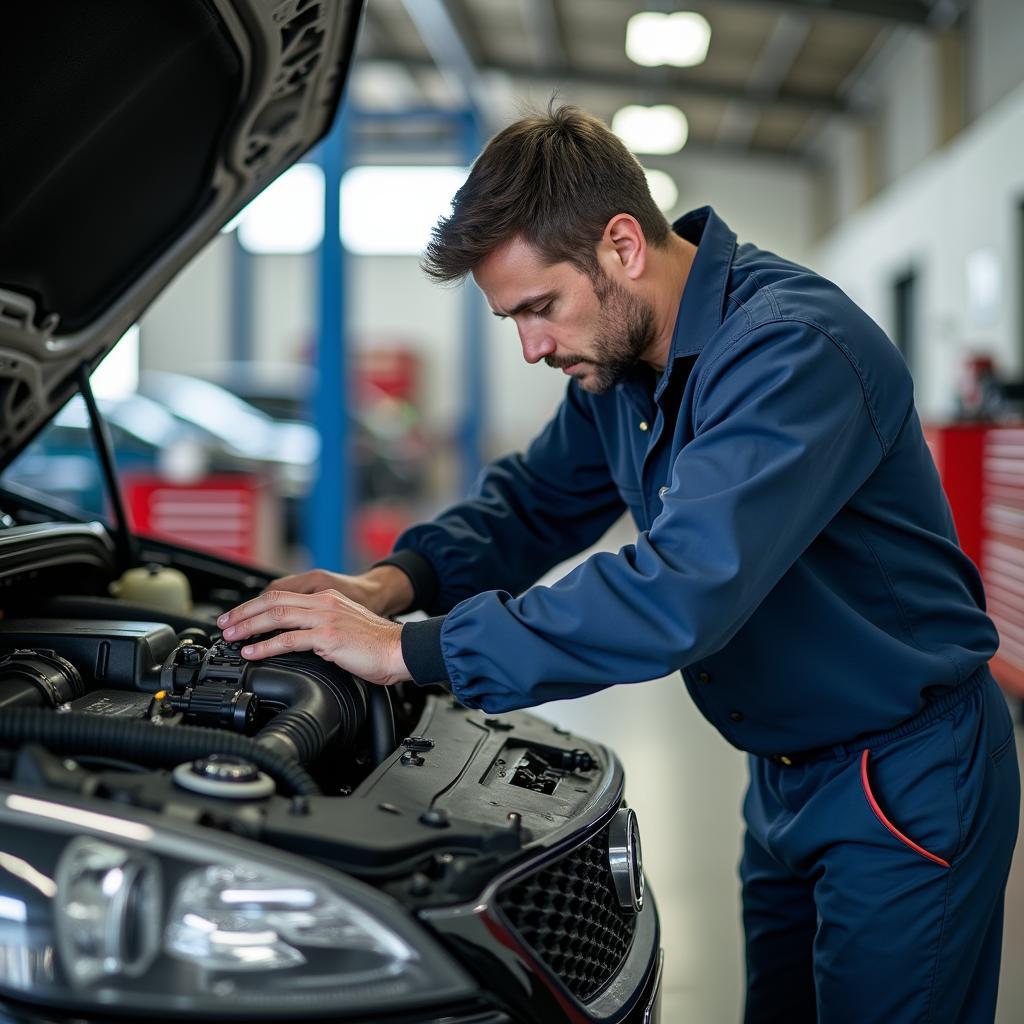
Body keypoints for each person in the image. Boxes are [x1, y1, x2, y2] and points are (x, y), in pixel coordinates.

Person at [218, 104, 1020, 1021]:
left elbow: (679, 592)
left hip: (901, 777)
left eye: (539, 308)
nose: (532, 346)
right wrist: (384, 585)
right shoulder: (624, 365)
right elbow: (533, 502)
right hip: (786, 772)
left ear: (624, 246)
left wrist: (411, 651)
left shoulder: (791, 349)